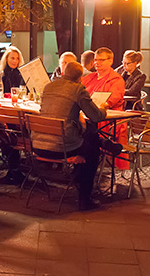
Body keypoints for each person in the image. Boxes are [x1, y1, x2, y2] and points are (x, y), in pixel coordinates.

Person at [34, 62, 116, 211]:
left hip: (38, 145)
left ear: (64, 73)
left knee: (89, 138)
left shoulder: (48, 87)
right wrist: (103, 108)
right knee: (92, 151)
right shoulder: (78, 90)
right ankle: (85, 199)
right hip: (61, 146)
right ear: (80, 78)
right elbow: (96, 116)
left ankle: (82, 170)